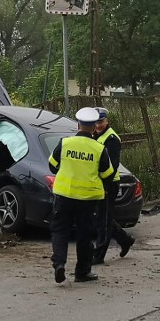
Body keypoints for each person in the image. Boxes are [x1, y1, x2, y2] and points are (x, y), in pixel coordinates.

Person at [48, 107, 114, 284]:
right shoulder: (99, 149)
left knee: (60, 231)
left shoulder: (65, 143)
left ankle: (59, 264)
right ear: (94, 127)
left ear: (78, 125)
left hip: (64, 195)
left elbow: (52, 165)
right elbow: (108, 174)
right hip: (87, 200)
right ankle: (82, 272)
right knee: (84, 235)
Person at [92, 107, 135, 264]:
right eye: (96, 122)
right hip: (98, 183)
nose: (98, 125)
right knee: (105, 217)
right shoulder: (96, 135)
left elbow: (113, 166)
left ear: (107, 121)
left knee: (103, 220)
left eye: (101, 121)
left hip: (108, 183)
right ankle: (125, 240)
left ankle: (99, 255)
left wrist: (104, 186)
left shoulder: (111, 139)